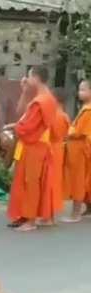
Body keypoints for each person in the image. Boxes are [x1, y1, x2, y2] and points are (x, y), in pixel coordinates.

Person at [7, 66, 57, 232]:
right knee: (23, 182)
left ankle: (31, 221)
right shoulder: (42, 98)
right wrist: (24, 91)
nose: (26, 80)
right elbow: (22, 114)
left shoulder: (41, 101)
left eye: (28, 77)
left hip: (34, 146)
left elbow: (26, 126)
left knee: (31, 183)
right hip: (33, 145)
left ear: (36, 77)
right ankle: (24, 216)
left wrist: (15, 129)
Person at [62, 80, 91, 223]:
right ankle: (88, 209)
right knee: (81, 179)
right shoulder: (85, 108)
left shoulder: (88, 110)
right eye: (80, 89)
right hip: (77, 149)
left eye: (83, 90)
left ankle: (75, 214)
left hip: (80, 149)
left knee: (78, 180)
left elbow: (80, 132)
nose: (80, 92)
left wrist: (69, 131)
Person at [44, 88, 70, 224]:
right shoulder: (65, 115)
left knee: (49, 182)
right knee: (55, 181)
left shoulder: (54, 115)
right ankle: (50, 216)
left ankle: (48, 217)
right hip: (60, 148)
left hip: (51, 149)